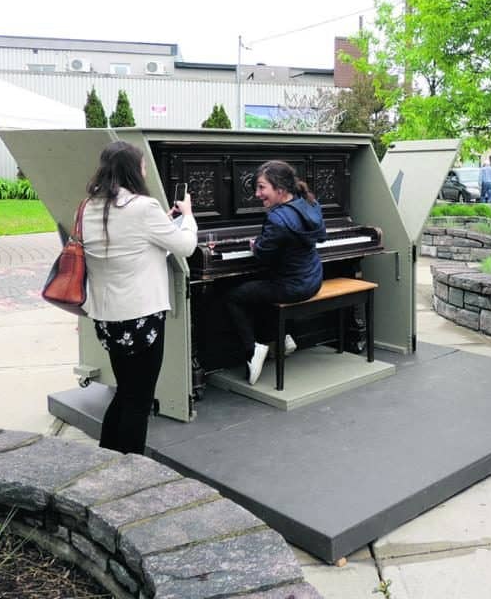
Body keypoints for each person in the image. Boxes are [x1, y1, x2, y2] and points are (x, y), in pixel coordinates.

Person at [81, 141, 198, 454]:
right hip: (141, 319)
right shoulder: (144, 208)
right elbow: (185, 246)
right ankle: (131, 470)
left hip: (107, 319)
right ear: (135, 170)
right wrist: (186, 216)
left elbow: (130, 242)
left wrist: (164, 220)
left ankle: (107, 456)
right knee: (139, 400)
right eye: (144, 165)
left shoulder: (89, 206)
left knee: (126, 391)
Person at [224, 160, 326, 385]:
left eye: (262, 187)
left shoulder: (277, 218)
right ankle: (282, 338)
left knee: (234, 296)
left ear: (280, 190)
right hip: (313, 278)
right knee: (260, 285)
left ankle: (253, 351)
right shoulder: (308, 203)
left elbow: (262, 255)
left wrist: (254, 245)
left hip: (294, 287)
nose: (257, 194)